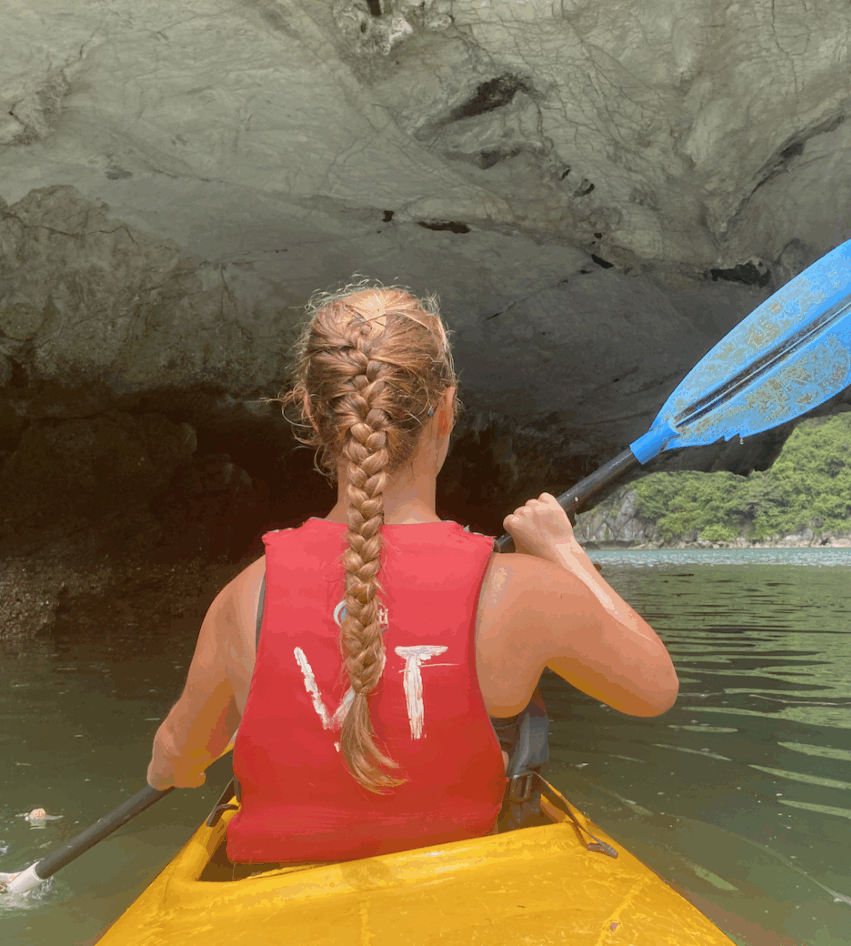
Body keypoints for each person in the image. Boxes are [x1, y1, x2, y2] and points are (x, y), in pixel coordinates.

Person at [147, 283, 678, 866]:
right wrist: (562, 550)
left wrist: (177, 764)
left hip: (275, 888)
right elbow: (654, 690)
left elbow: (178, 755)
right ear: (447, 410)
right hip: (460, 886)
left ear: (311, 412)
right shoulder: (518, 590)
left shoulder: (246, 596)